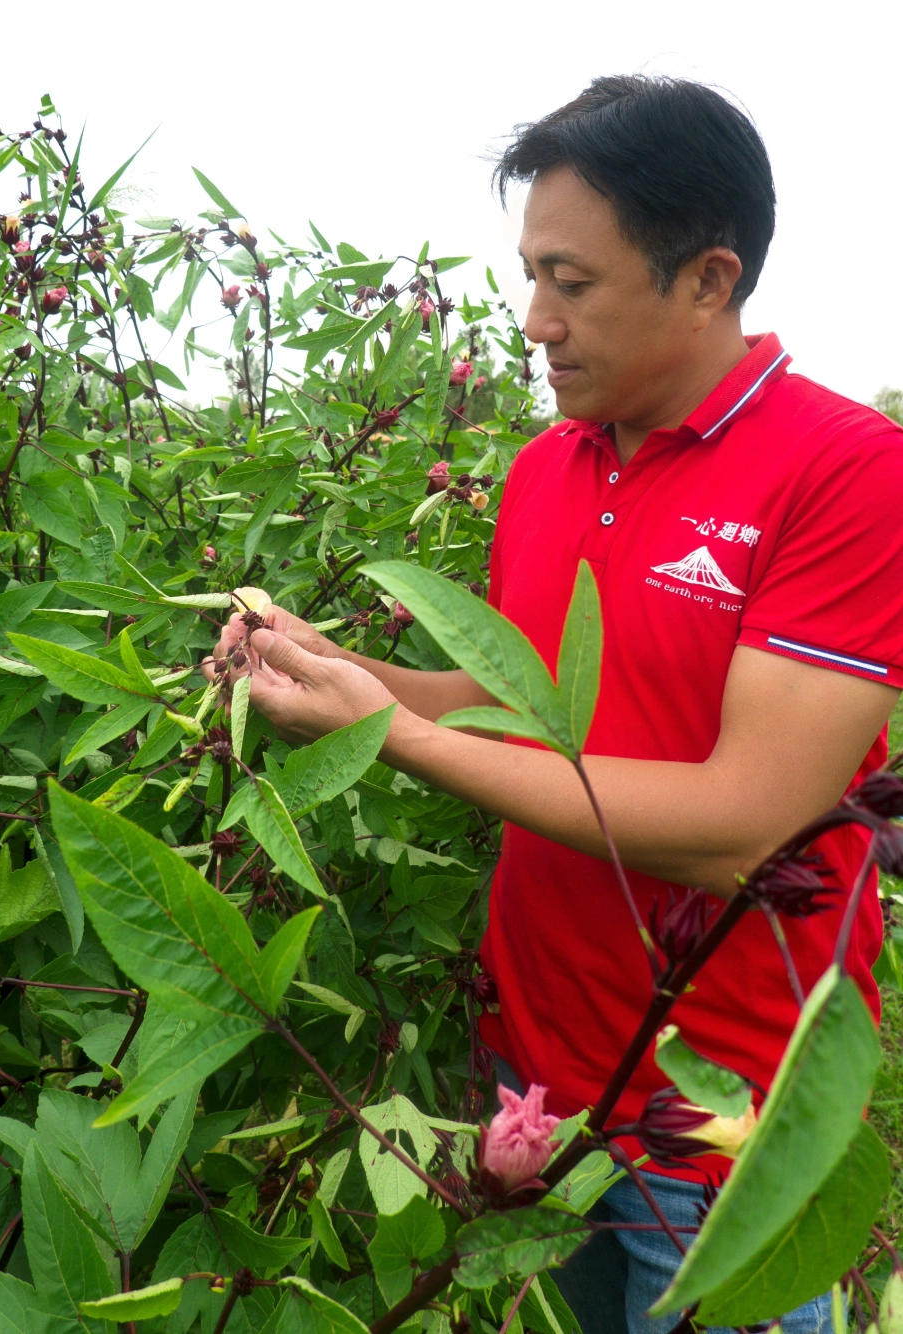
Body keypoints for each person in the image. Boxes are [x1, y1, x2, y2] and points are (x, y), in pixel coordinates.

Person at [205, 75, 903, 1334]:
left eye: (570, 284)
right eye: (530, 275)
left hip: (720, 1118)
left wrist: (390, 733)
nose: (533, 321)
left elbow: (748, 820)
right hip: (537, 1091)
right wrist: (328, 670)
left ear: (706, 276)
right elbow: (513, 703)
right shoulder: (547, 468)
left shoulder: (847, 472)